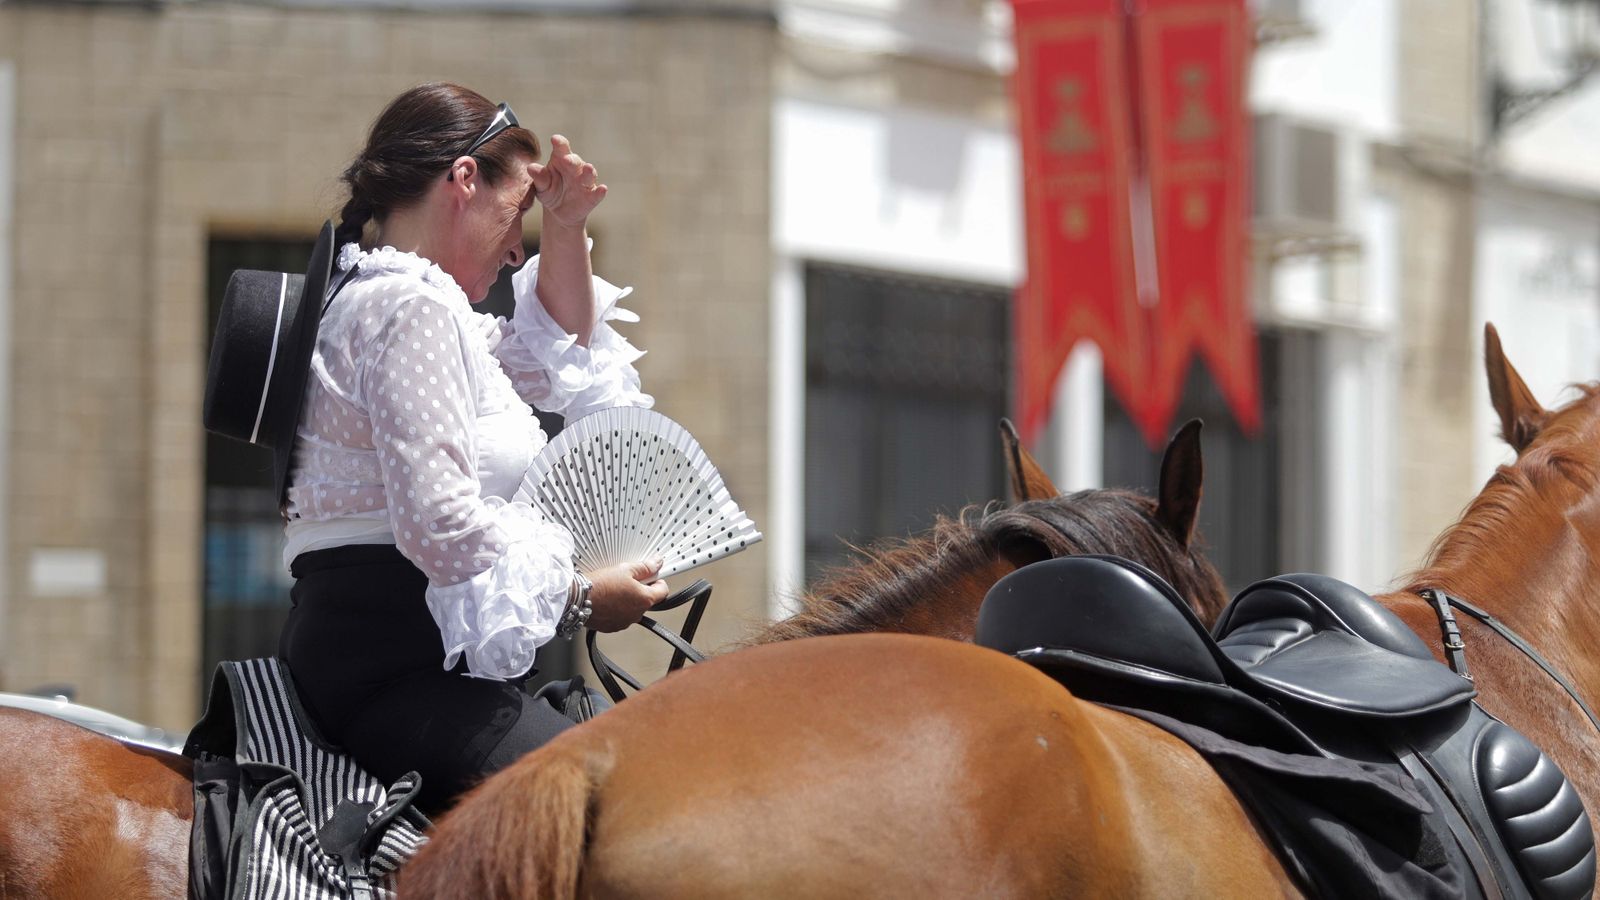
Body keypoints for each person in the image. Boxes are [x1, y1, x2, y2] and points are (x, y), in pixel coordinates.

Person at [276, 82, 669, 815]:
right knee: (615, 811)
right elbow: (440, 525)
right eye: (515, 213)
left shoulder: (391, 297)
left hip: (369, 653)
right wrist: (584, 597)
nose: (517, 244)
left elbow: (558, 353)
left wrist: (564, 223)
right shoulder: (410, 306)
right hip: (392, 666)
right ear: (462, 180)